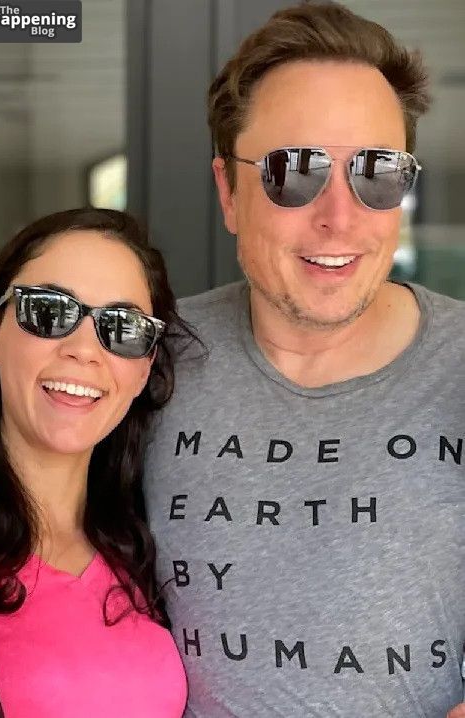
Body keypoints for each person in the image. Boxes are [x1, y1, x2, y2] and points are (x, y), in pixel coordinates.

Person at [144, 2, 465, 716]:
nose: (340, 217)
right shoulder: (147, 358)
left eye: (377, 172)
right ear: (228, 191)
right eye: (293, 171)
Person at [0, 208, 191, 718]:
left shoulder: (148, 544)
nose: (84, 350)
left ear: (144, 368)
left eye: (123, 328)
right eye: (49, 310)